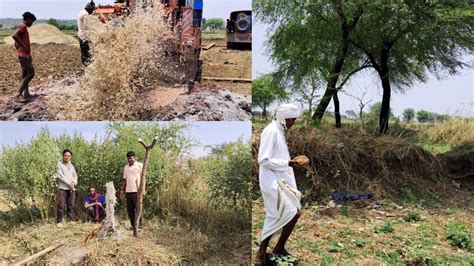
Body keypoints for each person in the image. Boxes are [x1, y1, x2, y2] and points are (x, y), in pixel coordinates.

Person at [255, 103, 304, 264]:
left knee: (283, 214)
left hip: (279, 180)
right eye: (292, 120)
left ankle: (271, 251)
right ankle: (268, 252)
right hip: (271, 181)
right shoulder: (271, 131)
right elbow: (263, 159)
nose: (293, 123)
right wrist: (288, 163)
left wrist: (290, 163)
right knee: (290, 213)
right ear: (285, 118)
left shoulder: (279, 130)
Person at [12, 12, 36, 101]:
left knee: (25, 74)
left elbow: (16, 42)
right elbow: (14, 36)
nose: (31, 24)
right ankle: (18, 95)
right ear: (28, 19)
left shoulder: (21, 26)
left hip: (24, 54)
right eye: (32, 22)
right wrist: (24, 47)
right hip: (24, 55)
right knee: (31, 73)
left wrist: (19, 49)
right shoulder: (23, 26)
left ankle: (26, 93)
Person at [56, 149, 78, 227]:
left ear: (70, 157)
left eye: (68, 156)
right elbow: (60, 176)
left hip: (71, 189)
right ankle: (59, 222)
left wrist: (74, 183)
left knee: (71, 205)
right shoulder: (59, 164)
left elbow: (75, 176)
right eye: (65, 155)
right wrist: (68, 183)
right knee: (61, 205)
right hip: (62, 188)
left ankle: (70, 220)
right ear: (63, 156)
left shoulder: (71, 166)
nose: (67, 157)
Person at [121, 151, 143, 230]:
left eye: (130, 158)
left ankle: (140, 226)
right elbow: (124, 179)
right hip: (128, 192)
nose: (129, 160)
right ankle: (134, 226)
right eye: (128, 158)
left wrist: (143, 190)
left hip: (137, 191)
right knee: (130, 210)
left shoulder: (140, 165)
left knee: (138, 209)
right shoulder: (126, 167)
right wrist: (122, 191)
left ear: (135, 157)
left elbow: (144, 178)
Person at [78, 1, 96, 66]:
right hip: (84, 37)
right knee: (86, 54)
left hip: (80, 35)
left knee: (83, 53)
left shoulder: (81, 12)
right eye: (92, 10)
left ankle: (84, 66)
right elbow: (87, 27)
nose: (92, 12)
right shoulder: (85, 15)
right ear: (89, 9)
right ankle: (86, 67)